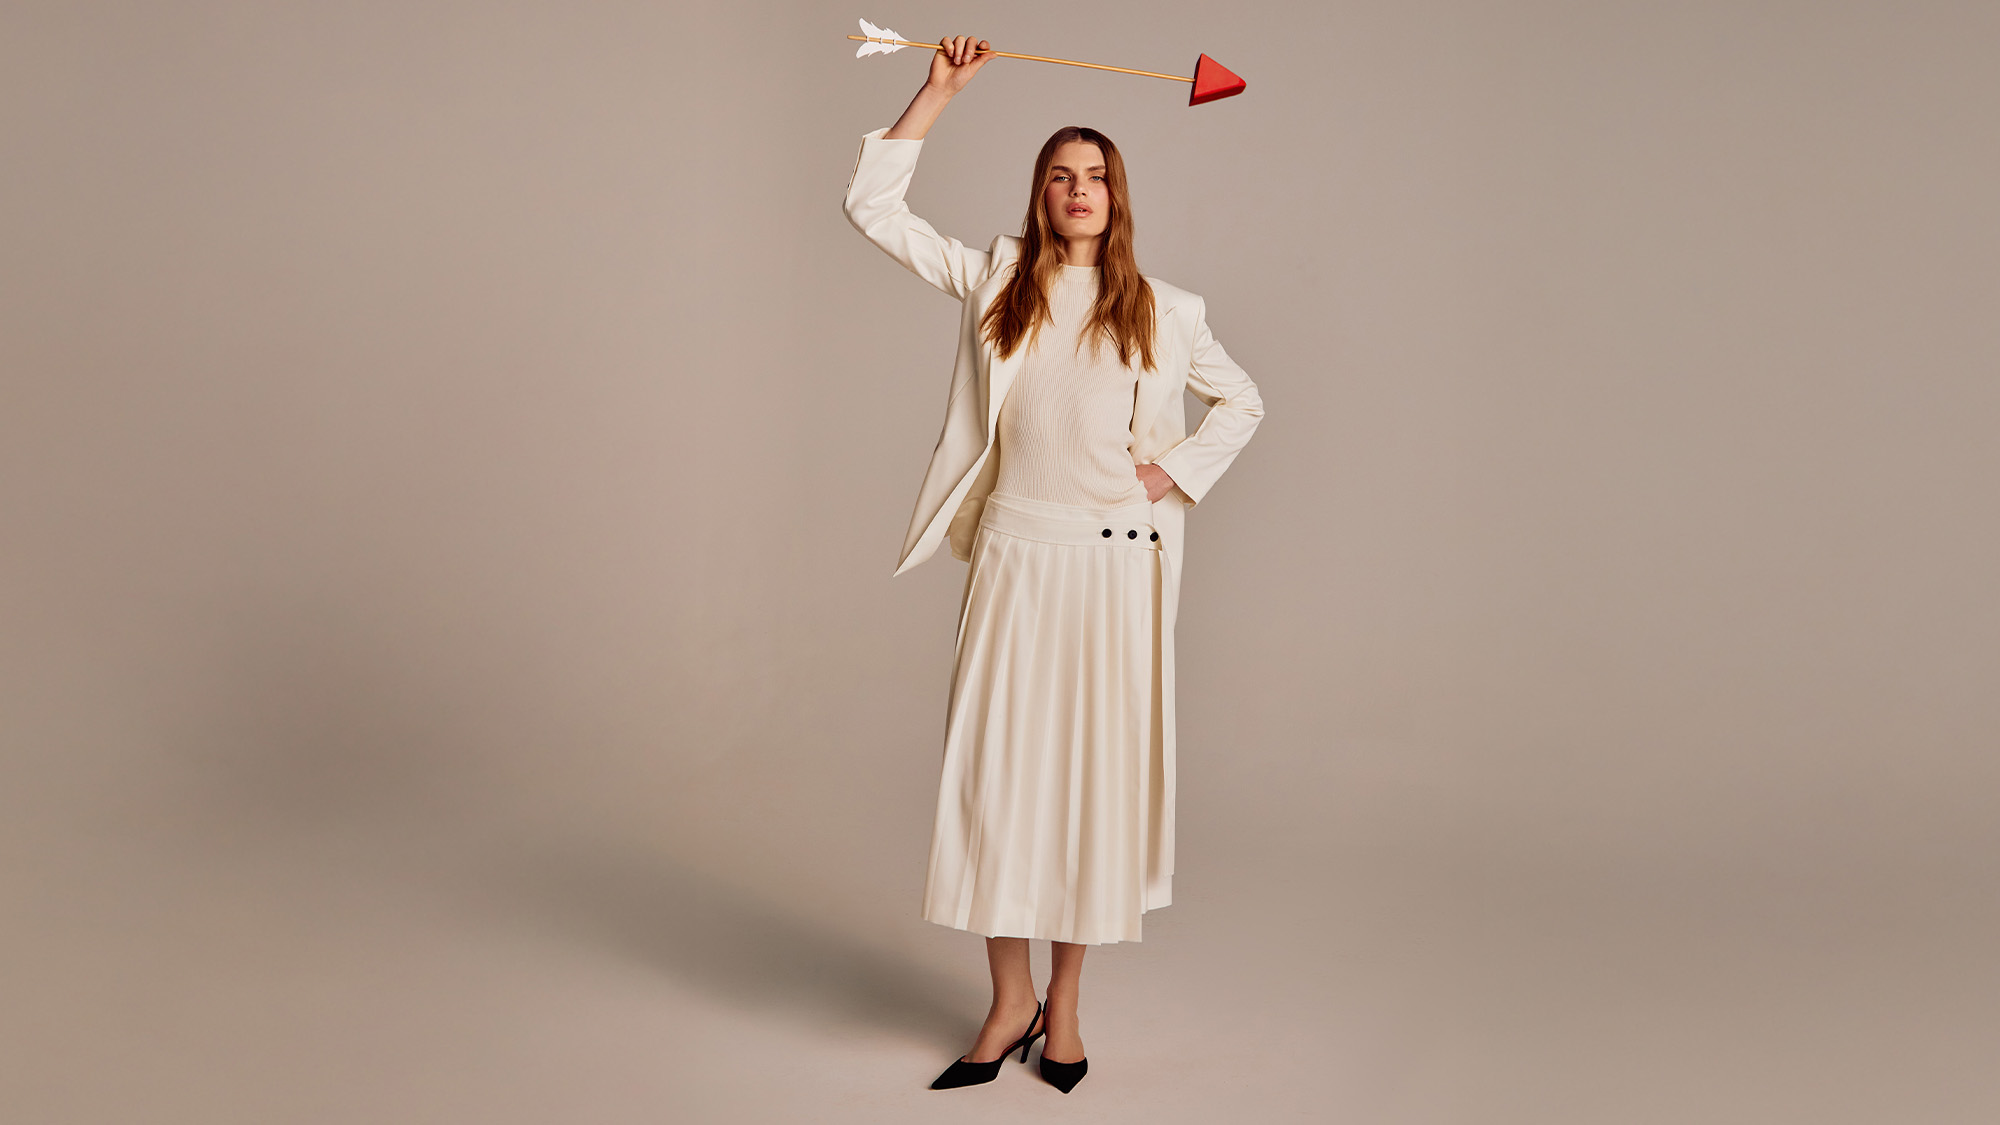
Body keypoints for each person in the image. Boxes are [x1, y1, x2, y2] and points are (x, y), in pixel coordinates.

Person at [842, 35, 1265, 1094]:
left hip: (1114, 570)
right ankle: (1006, 1002)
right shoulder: (997, 280)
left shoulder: (1169, 310)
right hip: (1014, 559)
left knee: (1089, 789)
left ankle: (1064, 1009)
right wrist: (933, 94)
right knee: (997, 782)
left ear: (1118, 199)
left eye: (1097, 178)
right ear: (1039, 195)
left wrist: (1170, 472)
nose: (1079, 192)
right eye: (1060, 177)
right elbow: (873, 213)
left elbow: (1244, 402)